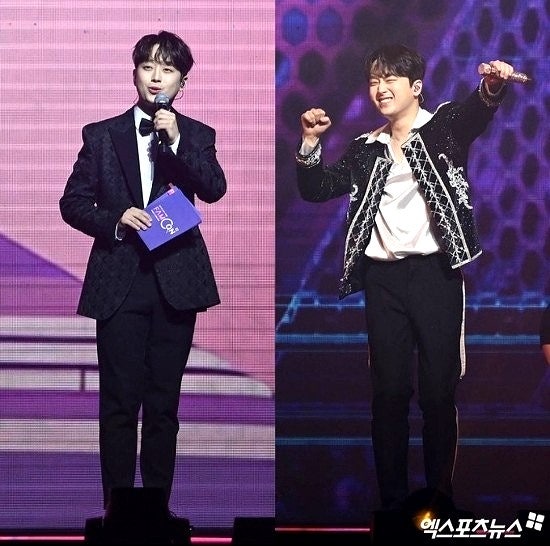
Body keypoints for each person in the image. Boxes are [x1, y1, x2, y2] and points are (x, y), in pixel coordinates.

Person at [295, 43, 515, 512]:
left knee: (437, 393)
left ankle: (439, 499)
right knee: (389, 394)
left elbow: (477, 112)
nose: (380, 88)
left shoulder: (443, 127)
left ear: (415, 87)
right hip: (383, 282)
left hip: (436, 275)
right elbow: (317, 188)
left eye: (390, 79)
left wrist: (492, 85)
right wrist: (310, 143)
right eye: (374, 80)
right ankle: (393, 504)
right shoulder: (365, 149)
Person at [60, 30, 226, 511]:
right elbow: (72, 203)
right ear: (134, 73)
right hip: (120, 281)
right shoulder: (101, 135)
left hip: (176, 282)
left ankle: (156, 510)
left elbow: (213, 189)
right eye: (148, 66)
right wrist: (116, 219)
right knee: (118, 403)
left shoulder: (197, 135)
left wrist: (176, 140)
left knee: (162, 405)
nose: (157, 77)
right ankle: (116, 511)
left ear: (182, 82)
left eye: (168, 69)